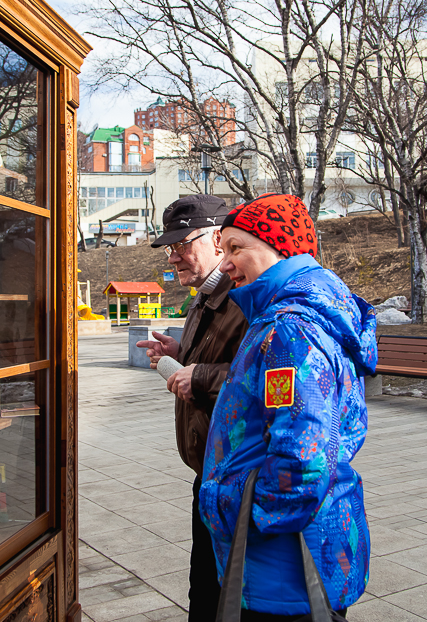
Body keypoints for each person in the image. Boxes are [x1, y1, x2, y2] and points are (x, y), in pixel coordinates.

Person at [199, 193, 377, 621]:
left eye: (236, 248)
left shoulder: (291, 329)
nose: (223, 265)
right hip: (292, 555)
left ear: (282, 249)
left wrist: (241, 509)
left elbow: (305, 457)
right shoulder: (293, 316)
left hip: (283, 562)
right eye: (222, 250)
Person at [136, 194, 249, 622]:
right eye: (170, 247)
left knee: (218, 593)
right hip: (211, 471)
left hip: (236, 477)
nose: (175, 256)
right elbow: (227, 358)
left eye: (184, 243)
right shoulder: (205, 294)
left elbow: (264, 379)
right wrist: (181, 351)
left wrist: (197, 376)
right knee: (204, 588)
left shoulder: (243, 296)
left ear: (219, 239)